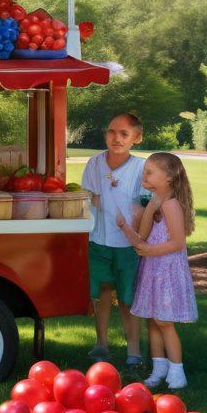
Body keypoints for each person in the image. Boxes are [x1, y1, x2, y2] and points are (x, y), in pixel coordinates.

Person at [118, 151, 197, 390]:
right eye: (145, 172)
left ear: (169, 178)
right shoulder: (157, 204)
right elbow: (142, 238)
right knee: (153, 320)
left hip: (167, 271)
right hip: (153, 269)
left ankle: (177, 371)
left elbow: (178, 243)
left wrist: (149, 251)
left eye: (151, 172)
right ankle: (158, 368)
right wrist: (127, 224)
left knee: (164, 321)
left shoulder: (172, 205)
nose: (145, 175)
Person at [80, 112, 147, 369]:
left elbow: (143, 206)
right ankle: (102, 343)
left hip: (129, 244)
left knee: (128, 297)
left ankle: (134, 350)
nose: (116, 138)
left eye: (124, 134)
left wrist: (138, 236)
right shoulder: (95, 164)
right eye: (111, 132)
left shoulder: (140, 168)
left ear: (136, 138)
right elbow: (90, 197)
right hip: (99, 239)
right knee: (102, 292)